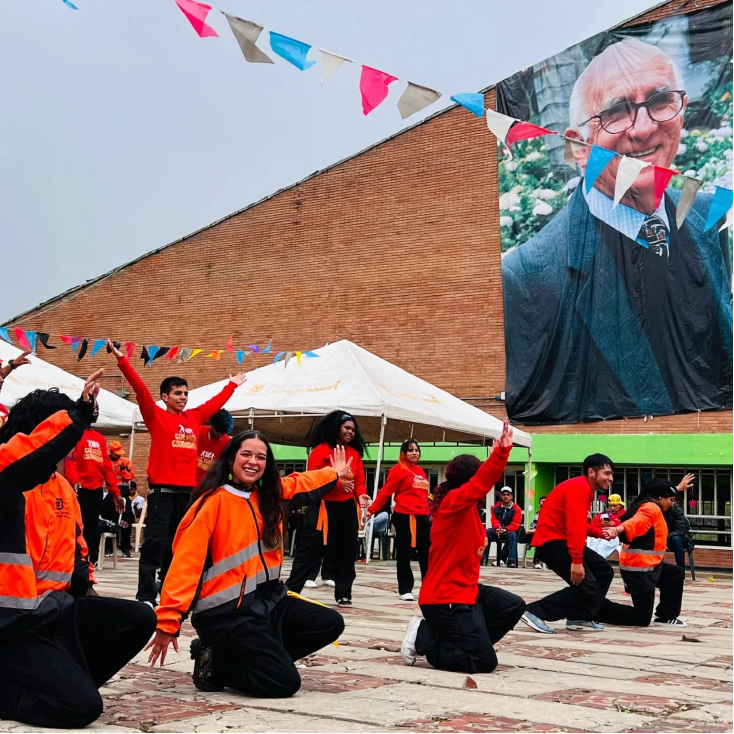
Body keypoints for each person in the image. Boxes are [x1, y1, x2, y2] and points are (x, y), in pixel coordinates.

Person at [502, 37, 732, 424]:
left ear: (681, 111)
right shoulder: (527, 275)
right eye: (616, 112)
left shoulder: (709, 218)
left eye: (660, 101)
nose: (643, 128)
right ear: (579, 146)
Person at [0, 371, 156, 729]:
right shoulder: (5, 479)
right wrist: (78, 415)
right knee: (80, 709)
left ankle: (63, 680)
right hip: (10, 624)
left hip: (53, 612)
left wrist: (85, 584)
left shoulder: (62, 487)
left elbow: (77, 548)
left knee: (139, 618)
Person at [146, 431, 349, 697]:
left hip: (267, 603)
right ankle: (217, 663)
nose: (253, 461)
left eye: (260, 457)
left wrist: (333, 473)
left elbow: (301, 482)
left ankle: (243, 658)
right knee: (284, 683)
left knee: (329, 622)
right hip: (225, 615)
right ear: (230, 460)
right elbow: (185, 565)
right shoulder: (211, 503)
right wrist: (168, 622)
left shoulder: (270, 496)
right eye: (246, 454)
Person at [107, 340, 246, 606]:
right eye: (178, 393)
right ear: (165, 397)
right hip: (161, 494)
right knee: (154, 546)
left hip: (186, 495)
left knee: (177, 546)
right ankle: (146, 596)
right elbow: (139, 389)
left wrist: (232, 386)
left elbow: (214, 404)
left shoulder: (193, 418)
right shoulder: (156, 416)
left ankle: (168, 591)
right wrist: (122, 361)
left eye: (185, 393)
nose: (183, 397)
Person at [400, 421, 526, 673]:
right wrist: (502, 453)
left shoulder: (466, 509)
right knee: (484, 663)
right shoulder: (453, 504)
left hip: (467, 592)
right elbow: (481, 483)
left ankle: (466, 644)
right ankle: (424, 636)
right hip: (444, 600)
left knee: (512, 605)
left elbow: (480, 484)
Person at [521, 454, 615, 634]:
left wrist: (597, 532)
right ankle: (533, 611)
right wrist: (577, 560)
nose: (610, 478)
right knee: (586, 586)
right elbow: (575, 526)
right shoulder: (579, 488)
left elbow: (575, 523)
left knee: (604, 571)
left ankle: (581, 617)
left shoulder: (582, 487)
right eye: (607, 473)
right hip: (553, 544)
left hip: (561, 540)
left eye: (612, 474)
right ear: (591, 472)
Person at [286, 411, 366, 606]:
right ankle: (291, 591)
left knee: (347, 550)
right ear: (336, 428)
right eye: (347, 428)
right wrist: (338, 484)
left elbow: (360, 481)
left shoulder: (355, 454)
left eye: (353, 430)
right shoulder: (320, 451)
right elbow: (314, 478)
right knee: (310, 548)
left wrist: (361, 495)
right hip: (322, 506)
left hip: (346, 507)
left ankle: (344, 593)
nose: (350, 432)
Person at [598, 479, 689, 628]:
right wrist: (617, 530)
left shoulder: (645, 502)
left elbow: (659, 494)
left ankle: (666, 616)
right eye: (671, 500)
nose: (672, 503)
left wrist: (677, 488)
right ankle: (595, 608)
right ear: (660, 498)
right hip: (638, 570)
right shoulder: (650, 509)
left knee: (674, 574)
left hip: (651, 566)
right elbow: (637, 522)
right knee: (641, 619)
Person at [366, 439, 431, 601]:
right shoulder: (397, 470)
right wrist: (372, 510)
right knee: (404, 553)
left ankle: (429, 588)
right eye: (410, 450)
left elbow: (424, 496)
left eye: (416, 450)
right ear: (403, 453)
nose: (414, 452)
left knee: (427, 554)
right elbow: (386, 493)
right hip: (404, 516)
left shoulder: (421, 471)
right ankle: (405, 589)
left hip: (422, 517)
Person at [64, 427, 124, 566]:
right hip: (79, 490)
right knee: (75, 527)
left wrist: (116, 493)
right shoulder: (74, 432)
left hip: (96, 490)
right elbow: (70, 460)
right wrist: (75, 480)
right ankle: (71, 561)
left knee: (91, 529)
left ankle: (87, 562)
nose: (95, 411)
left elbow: (107, 468)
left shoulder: (100, 438)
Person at [486, 487, 522, 568]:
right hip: (497, 530)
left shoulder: (517, 509)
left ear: (511, 496)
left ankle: (511, 560)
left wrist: (505, 529)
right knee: (487, 532)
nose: (506, 497)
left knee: (513, 535)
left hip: (509, 531)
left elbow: (515, 524)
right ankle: (483, 558)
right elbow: (494, 520)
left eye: (508, 495)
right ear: (501, 496)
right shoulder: (496, 507)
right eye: (504, 495)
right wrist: (498, 528)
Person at [195, 409, 233, 485]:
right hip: (193, 482)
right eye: (219, 432)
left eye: (224, 432)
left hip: (210, 483)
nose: (221, 435)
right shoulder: (199, 432)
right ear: (212, 426)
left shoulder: (227, 440)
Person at [667, 473, 695, 570]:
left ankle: (680, 571)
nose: (671, 501)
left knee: (676, 539)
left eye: (673, 500)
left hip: (678, 538)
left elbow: (681, 530)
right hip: (662, 538)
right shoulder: (658, 509)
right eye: (669, 499)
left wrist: (666, 536)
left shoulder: (677, 510)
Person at [586, 494, 626, 559]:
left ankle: (596, 561)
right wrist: (601, 524)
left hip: (614, 537)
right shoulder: (603, 515)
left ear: (620, 505)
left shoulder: (625, 515)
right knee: (592, 543)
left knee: (602, 546)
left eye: (615, 505)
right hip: (599, 535)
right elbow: (591, 526)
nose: (612, 508)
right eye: (610, 505)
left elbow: (626, 527)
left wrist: (615, 525)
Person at [527, 496, 546, 568]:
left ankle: (537, 561)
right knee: (539, 537)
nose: (544, 503)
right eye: (542, 501)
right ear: (539, 504)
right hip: (537, 533)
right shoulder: (538, 514)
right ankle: (536, 561)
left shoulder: (551, 513)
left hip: (547, 534)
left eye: (545, 501)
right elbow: (534, 525)